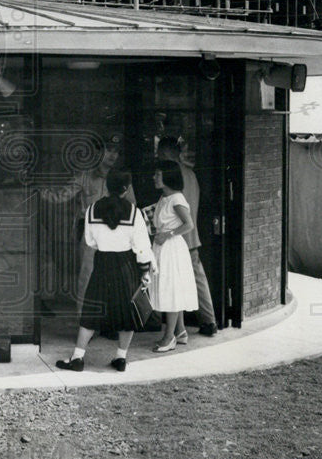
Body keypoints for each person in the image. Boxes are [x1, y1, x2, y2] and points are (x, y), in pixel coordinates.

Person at [55, 170, 156, 372]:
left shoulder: (92, 210)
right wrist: (145, 271)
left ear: (107, 186)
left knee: (91, 310)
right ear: (126, 190)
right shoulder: (135, 213)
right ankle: (120, 358)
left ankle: (77, 357)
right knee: (127, 312)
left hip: (101, 263)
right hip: (126, 264)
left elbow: (90, 241)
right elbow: (142, 248)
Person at [42, 133, 128, 313]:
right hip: (90, 233)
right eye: (108, 150)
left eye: (116, 152)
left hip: (116, 233)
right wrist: (38, 191)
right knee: (87, 278)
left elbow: (132, 206)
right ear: (97, 152)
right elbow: (60, 196)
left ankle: (109, 322)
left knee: (114, 278)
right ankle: (86, 323)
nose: (113, 155)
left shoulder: (121, 177)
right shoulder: (84, 176)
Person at [156, 136, 218, 337]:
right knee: (195, 278)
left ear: (166, 154)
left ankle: (173, 325)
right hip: (191, 237)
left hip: (177, 240)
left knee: (176, 281)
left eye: (159, 152)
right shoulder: (190, 174)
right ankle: (206, 321)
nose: (157, 156)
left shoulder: (172, 177)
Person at [149, 160, 198, 352]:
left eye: (158, 174)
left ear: (168, 177)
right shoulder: (165, 197)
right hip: (163, 248)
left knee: (171, 290)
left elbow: (189, 225)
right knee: (171, 288)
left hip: (172, 249)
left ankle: (169, 337)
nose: (154, 177)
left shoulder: (177, 199)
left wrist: (167, 234)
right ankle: (181, 331)